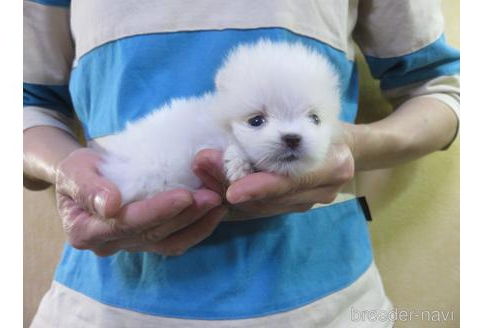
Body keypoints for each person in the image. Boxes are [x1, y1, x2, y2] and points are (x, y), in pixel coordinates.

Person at [23, 1, 459, 327]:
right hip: (105, 305)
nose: (289, 134)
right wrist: (68, 172)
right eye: (257, 120)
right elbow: (23, 103)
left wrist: (358, 143)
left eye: (309, 119)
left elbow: (442, 87)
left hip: (328, 305)